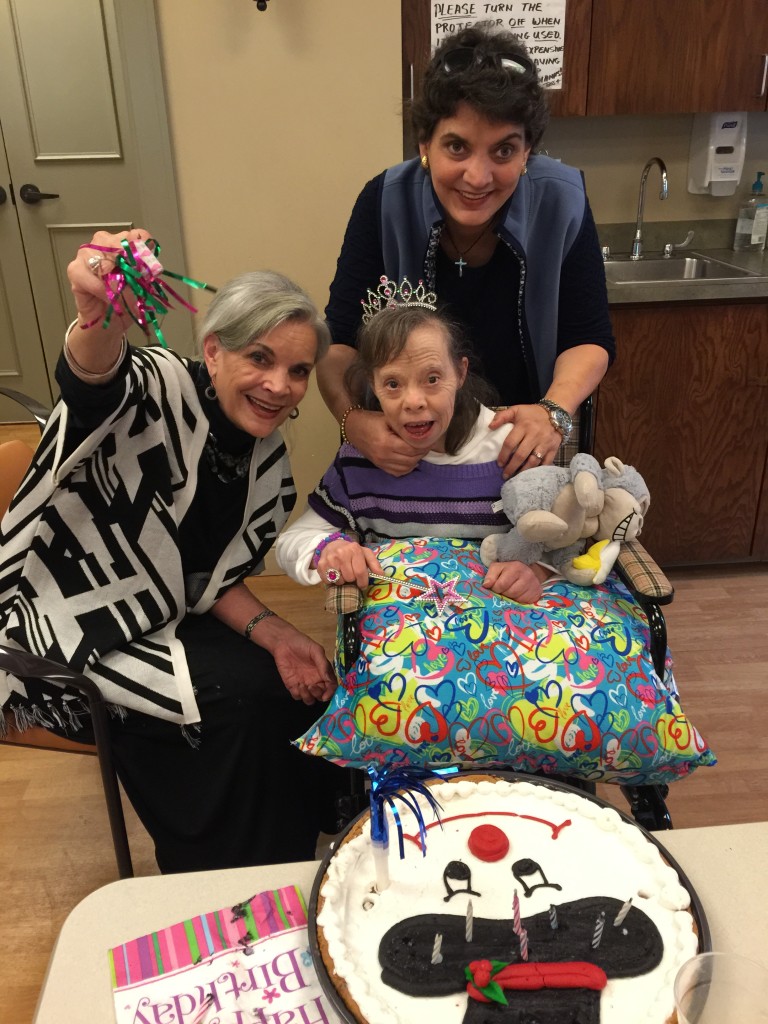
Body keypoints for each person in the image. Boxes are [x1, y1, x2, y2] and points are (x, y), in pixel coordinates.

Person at [0, 229, 343, 873]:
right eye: (260, 358)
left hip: (162, 614)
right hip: (69, 626)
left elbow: (203, 578)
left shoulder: (264, 461)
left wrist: (280, 635)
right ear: (213, 351)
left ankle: (295, 864)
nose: (280, 385)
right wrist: (100, 319)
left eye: (298, 370)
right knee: (235, 703)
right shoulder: (156, 387)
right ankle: (217, 878)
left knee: (297, 687)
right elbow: (93, 380)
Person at [317, 22, 614, 480]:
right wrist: (352, 421)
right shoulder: (383, 202)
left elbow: (588, 338)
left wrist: (553, 411)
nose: (478, 177)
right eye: (457, 146)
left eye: (503, 151)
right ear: (425, 144)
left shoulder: (563, 202)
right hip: (408, 444)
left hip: (520, 444)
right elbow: (339, 343)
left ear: (528, 151)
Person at [276, 296, 551, 605]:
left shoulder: (514, 449)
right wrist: (327, 550)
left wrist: (535, 570)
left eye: (432, 379)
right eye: (393, 384)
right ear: (373, 384)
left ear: (460, 373)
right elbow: (292, 542)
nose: (414, 402)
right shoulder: (359, 462)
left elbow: (568, 542)